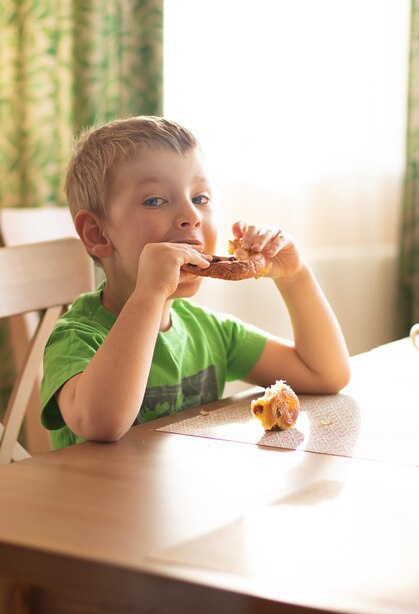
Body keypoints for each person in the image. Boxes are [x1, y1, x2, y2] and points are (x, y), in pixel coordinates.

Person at [40, 115, 350, 449]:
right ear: (98, 234)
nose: (192, 216)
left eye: (200, 198)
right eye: (155, 200)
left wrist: (295, 275)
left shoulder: (209, 332)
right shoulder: (76, 338)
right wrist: (149, 293)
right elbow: (103, 422)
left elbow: (326, 374)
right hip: (91, 499)